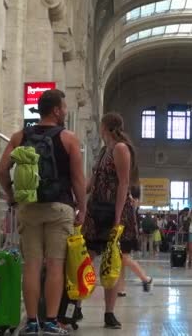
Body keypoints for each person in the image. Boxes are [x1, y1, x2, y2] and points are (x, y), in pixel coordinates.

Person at [0, 89, 86, 336]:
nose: (66, 111)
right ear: (56, 110)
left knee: (32, 266)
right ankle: (50, 322)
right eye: (64, 107)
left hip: (29, 208)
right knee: (56, 266)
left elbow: (2, 170)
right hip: (60, 208)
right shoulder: (69, 138)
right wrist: (83, 208)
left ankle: (32, 322)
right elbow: (78, 179)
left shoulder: (19, 136)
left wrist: (12, 195)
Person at [82, 113, 152, 329]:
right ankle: (74, 305)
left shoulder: (120, 148)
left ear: (105, 127)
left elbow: (123, 184)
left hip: (114, 210)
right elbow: (92, 182)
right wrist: (79, 200)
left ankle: (109, 313)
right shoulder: (104, 150)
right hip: (96, 209)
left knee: (112, 261)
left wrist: (118, 215)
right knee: (85, 258)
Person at [116, 186, 153, 297]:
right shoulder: (131, 199)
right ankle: (121, 288)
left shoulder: (130, 199)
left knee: (124, 258)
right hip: (124, 231)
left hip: (125, 231)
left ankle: (145, 278)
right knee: (120, 261)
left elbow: (130, 217)